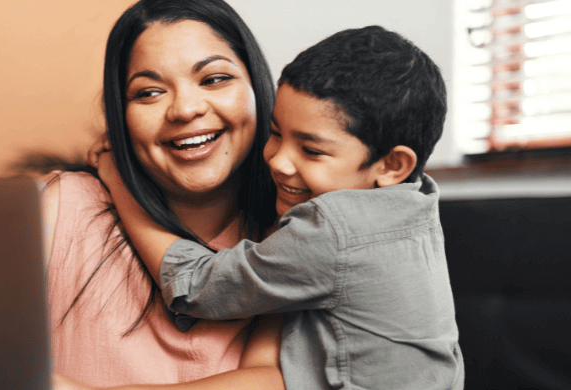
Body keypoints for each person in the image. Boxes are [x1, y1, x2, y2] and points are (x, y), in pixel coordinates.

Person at [98, 26, 464, 389]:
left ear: (391, 165)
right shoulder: (414, 203)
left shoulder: (335, 228)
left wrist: (118, 181)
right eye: (275, 132)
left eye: (311, 150)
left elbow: (195, 286)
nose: (277, 161)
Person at [37, 0, 283, 389]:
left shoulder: (299, 233)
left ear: (256, 85)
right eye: (149, 92)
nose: (185, 109)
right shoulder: (58, 209)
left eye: (214, 79)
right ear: (121, 114)